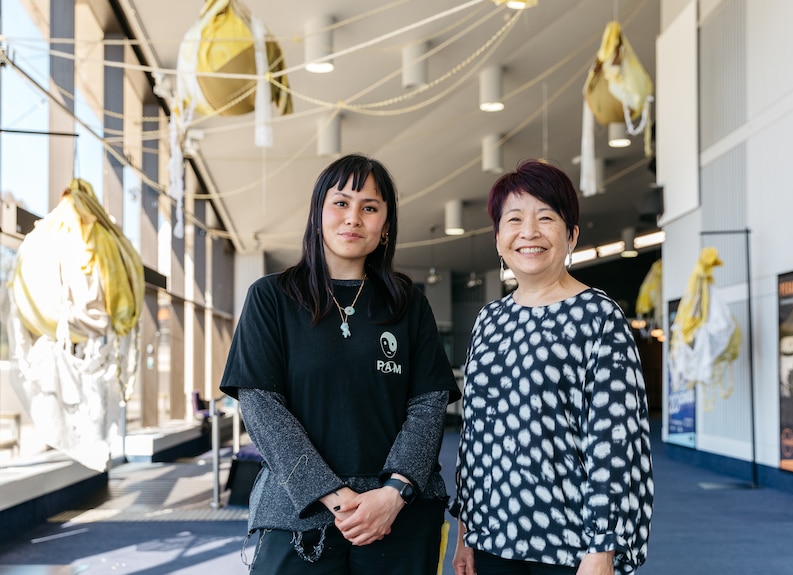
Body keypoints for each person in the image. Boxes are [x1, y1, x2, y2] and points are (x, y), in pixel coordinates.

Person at [220, 153, 461, 575]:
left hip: (399, 514)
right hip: (299, 513)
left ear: (385, 226)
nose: (354, 218)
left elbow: (428, 404)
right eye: (341, 203)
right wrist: (334, 496)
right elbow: (260, 405)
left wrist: (393, 494)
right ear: (318, 214)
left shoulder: (408, 304)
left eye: (369, 208)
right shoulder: (272, 297)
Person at [452, 159, 654, 575]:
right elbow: (475, 437)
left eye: (545, 217)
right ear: (498, 238)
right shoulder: (490, 320)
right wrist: (464, 533)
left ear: (571, 235)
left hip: (569, 547)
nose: (529, 232)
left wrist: (602, 549)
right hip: (492, 539)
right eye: (514, 220)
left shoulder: (599, 317)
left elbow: (616, 442)